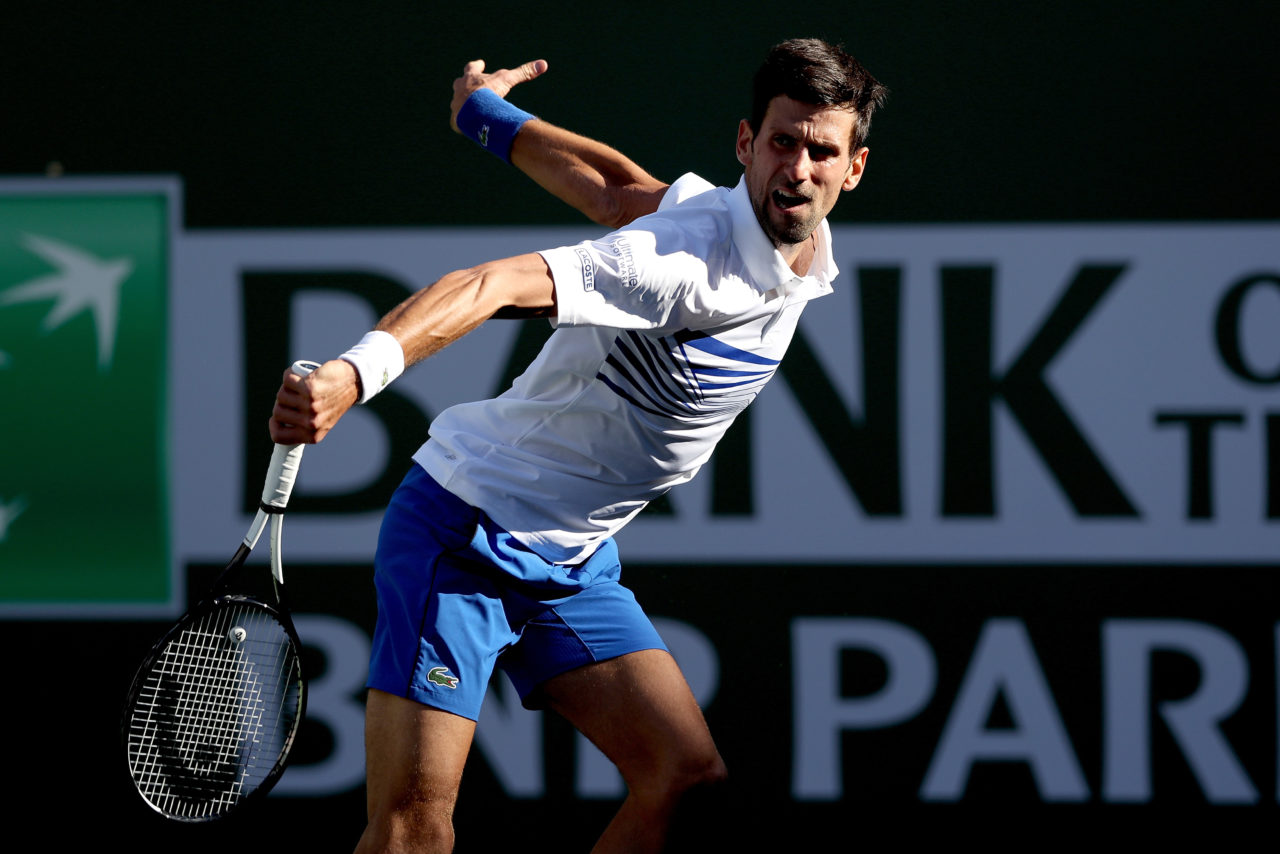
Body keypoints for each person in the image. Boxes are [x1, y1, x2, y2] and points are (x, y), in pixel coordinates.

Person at [269, 37, 886, 853]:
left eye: (821, 151)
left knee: (684, 779)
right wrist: (358, 372)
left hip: (569, 558)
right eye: (781, 142)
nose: (798, 169)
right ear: (746, 143)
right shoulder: (681, 261)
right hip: (465, 531)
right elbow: (489, 285)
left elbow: (616, 188)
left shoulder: (791, 250)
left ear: (854, 167)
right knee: (414, 828)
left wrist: (486, 116)